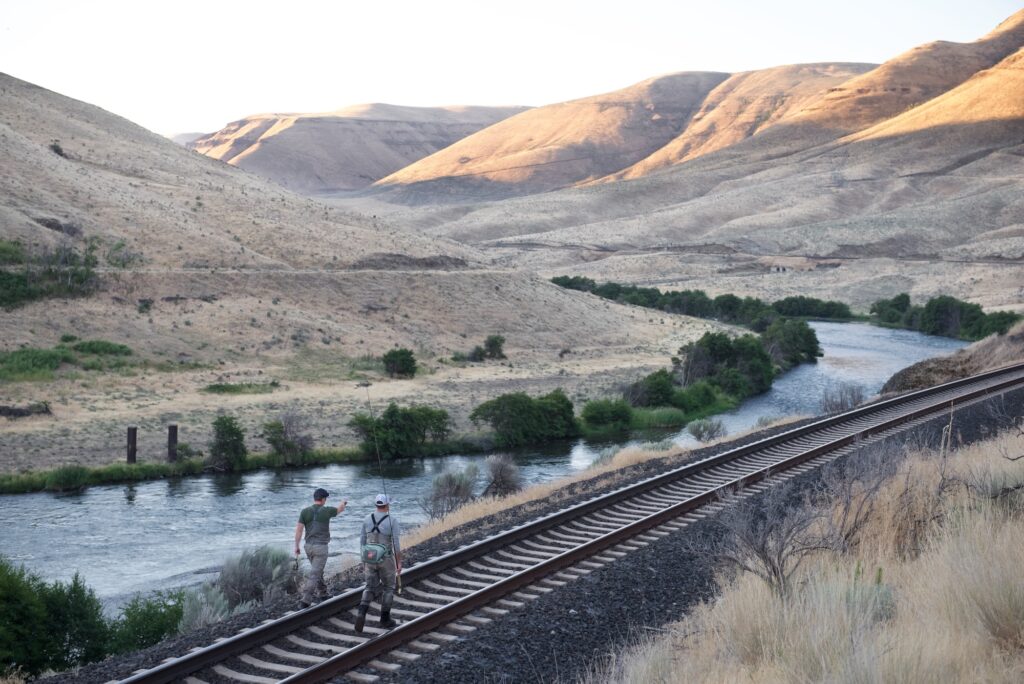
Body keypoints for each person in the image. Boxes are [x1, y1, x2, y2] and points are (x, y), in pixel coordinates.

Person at [355, 493, 402, 632]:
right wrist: (399, 562)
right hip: (386, 559)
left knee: (369, 587)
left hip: (369, 557)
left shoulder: (366, 519)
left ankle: (361, 613)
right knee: (389, 587)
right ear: (387, 505)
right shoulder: (392, 520)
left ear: (376, 505)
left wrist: (363, 560)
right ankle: (385, 619)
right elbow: (396, 546)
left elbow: (362, 542)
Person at [294, 487, 346, 608]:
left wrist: (296, 546)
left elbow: (299, 531)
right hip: (321, 548)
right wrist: (343, 502)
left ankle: (323, 593)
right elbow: (340, 509)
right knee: (315, 573)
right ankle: (305, 600)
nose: (325, 501)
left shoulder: (304, 512)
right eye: (325, 499)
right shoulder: (327, 511)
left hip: (308, 547)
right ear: (323, 499)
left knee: (317, 570)